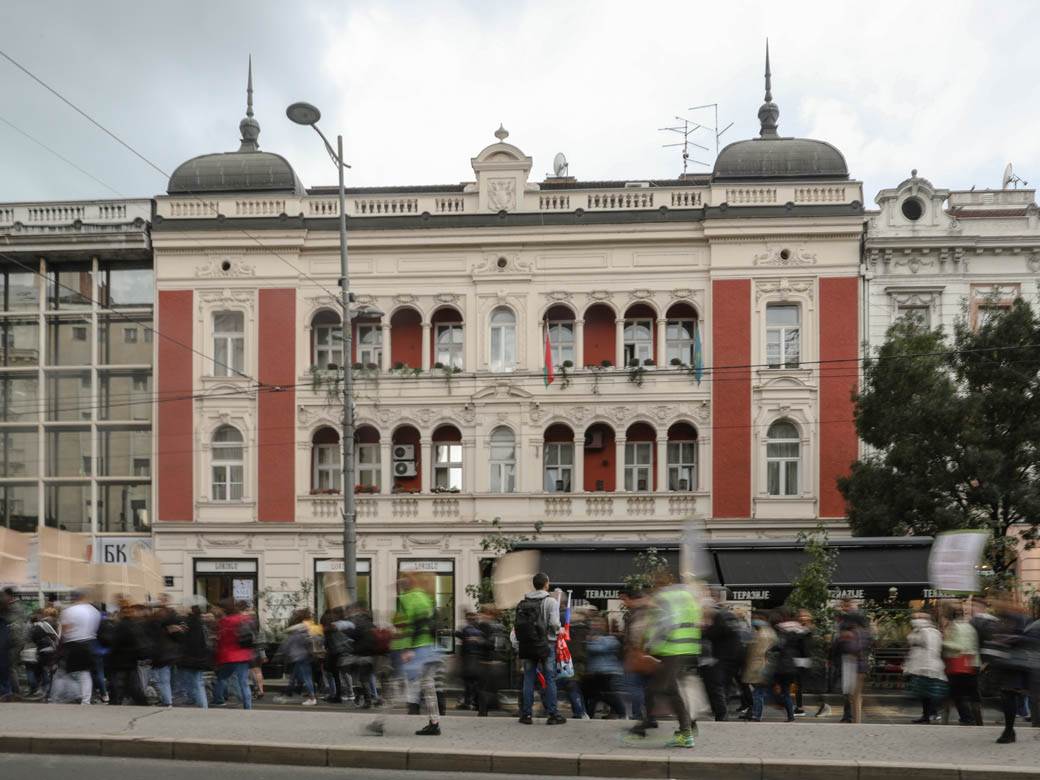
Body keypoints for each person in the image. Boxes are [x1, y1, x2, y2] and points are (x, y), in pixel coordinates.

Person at [630, 575, 701, 749]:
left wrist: (649, 644)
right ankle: (687, 728)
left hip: (671, 648)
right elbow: (697, 622)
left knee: (658, 688)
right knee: (671, 689)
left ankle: (679, 728)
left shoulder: (664, 597)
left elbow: (664, 624)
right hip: (687, 648)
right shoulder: (688, 596)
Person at [368, 572, 441, 736]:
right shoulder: (426, 598)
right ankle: (434, 722)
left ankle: (379, 722)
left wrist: (409, 649)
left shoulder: (406, 599)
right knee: (428, 686)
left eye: (401, 581)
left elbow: (411, 624)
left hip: (411, 650)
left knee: (395, 685)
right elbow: (431, 623)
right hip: (428, 648)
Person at [513, 571, 565, 726]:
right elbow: (555, 624)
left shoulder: (523, 601)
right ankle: (553, 714)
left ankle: (526, 715)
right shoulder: (550, 602)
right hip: (546, 644)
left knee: (528, 679)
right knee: (550, 679)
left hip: (528, 644)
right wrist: (559, 630)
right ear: (546, 584)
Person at [986, 596, 1029, 744]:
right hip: (1005, 664)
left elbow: (1022, 638)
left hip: (1014, 664)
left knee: (1008, 696)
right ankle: (1009, 730)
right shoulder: (1002, 619)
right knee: (1006, 696)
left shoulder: (1017, 618)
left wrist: (1003, 640)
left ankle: (1009, 731)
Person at [941, 601, 982, 726]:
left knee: (955, 694)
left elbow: (960, 647)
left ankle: (966, 718)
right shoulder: (970, 626)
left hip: (958, 664)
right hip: (973, 663)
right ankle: (979, 722)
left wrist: (942, 642)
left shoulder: (953, 626)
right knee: (973, 695)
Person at [59, 589, 101, 705]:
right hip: (90, 643)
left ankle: (74, 695)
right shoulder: (94, 611)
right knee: (85, 673)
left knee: (68, 671)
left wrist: (61, 645)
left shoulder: (68, 611)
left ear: (74, 598)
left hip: (73, 644)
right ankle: (85, 699)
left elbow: (65, 630)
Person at [904, 611, 947, 724]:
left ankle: (932, 713)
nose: (915, 619)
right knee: (924, 693)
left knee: (930, 692)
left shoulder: (930, 632)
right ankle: (927, 715)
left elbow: (932, 650)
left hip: (928, 667)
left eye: (919, 617)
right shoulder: (918, 631)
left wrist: (927, 667)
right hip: (920, 667)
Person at [212, 598, 254, 709]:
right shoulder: (245, 619)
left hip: (229, 656)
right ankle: (248, 706)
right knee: (244, 682)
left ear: (224, 609)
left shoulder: (224, 622)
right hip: (244, 654)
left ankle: (218, 699)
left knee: (221, 678)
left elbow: (221, 641)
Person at [582, 614, 624, 718]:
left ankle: (621, 711)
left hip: (605, 671)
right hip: (594, 670)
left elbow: (598, 649)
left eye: (598, 623)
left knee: (603, 694)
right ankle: (589, 714)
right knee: (594, 694)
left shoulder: (610, 639)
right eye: (593, 624)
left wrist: (590, 642)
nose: (595, 626)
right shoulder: (592, 638)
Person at [174, 599, 212, 709]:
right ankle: (202, 705)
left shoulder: (188, 623)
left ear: (189, 609)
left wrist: (177, 631)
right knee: (198, 682)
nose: (180, 609)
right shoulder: (199, 622)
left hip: (190, 657)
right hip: (199, 657)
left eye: (183, 607)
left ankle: (201, 706)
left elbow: (184, 639)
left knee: (194, 683)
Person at [742, 610, 778, 722]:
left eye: (756, 617)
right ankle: (754, 713)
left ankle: (757, 715)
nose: (754, 620)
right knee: (758, 692)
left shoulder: (764, 633)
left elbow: (760, 652)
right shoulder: (764, 632)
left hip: (760, 666)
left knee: (758, 693)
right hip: (758, 665)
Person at [281, 611, 318, 706]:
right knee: (296, 676)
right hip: (303, 656)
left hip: (299, 656)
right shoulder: (305, 629)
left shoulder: (298, 630)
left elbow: (289, 643)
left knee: (306, 677)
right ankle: (289, 692)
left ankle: (312, 698)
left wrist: (284, 651)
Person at [455, 611, 484, 710]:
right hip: (477, 658)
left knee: (468, 682)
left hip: (469, 658)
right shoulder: (479, 630)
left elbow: (462, 639)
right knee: (473, 681)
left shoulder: (467, 630)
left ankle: (468, 702)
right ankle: (474, 701)